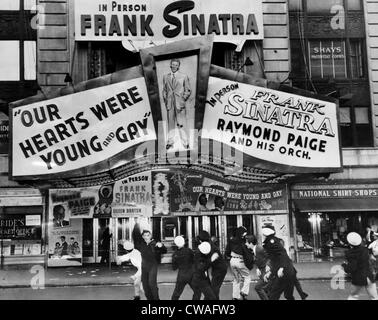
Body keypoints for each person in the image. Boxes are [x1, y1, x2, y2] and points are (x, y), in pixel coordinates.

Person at [162, 58, 192, 150]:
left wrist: (182, 99)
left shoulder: (184, 76)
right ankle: (170, 142)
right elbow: (164, 90)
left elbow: (188, 90)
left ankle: (185, 142)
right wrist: (166, 100)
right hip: (170, 104)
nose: (174, 66)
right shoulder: (165, 76)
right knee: (171, 124)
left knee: (181, 124)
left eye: (176, 65)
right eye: (173, 64)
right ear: (170, 65)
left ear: (178, 66)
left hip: (180, 104)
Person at [262, 225, 297, 300]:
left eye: (264, 230)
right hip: (285, 271)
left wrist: (281, 268)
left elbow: (282, 254)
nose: (262, 232)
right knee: (286, 295)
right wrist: (270, 272)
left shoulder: (272, 241)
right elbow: (275, 259)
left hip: (285, 272)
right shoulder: (269, 241)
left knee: (274, 295)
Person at [342, 232, 378, 300]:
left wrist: (344, 266)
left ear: (349, 243)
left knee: (353, 296)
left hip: (358, 278)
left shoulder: (350, 253)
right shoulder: (365, 250)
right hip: (369, 277)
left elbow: (352, 268)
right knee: (374, 297)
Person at [197, 230, 228, 300]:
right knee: (214, 288)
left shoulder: (209, 247)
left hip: (220, 269)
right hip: (217, 268)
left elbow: (207, 262)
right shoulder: (209, 245)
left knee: (213, 289)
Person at [225, 226, 253, 300]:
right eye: (244, 233)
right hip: (241, 261)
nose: (245, 235)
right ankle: (244, 292)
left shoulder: (231, 240)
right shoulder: (243, 241)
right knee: (247, 276)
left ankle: (235, 296)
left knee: (236, 278)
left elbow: (227, 252)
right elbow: (247, 252)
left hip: (232, 261)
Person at [138, 229, 167, 300]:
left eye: (148, 235)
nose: (146, 237)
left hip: (152, 266)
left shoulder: (154, 243)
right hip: (144, 267)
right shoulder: (142, 244)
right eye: (144, 235)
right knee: (145, 285)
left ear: (150, 236)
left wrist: (161, 246)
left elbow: (164, 250)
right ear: (142, 236)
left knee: (152, 284)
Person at [245, 234, 271, 300]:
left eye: (246, 242)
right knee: (266, 289)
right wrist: (258, 268)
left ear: (250, 243)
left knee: (258, 287)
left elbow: (271, 256)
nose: (245, 244)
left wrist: (268, 266)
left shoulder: (259, 249)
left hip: (267, 271)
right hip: (262, 271)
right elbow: (259, 259)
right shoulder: (254, 250)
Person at [171, 236, 195, 300]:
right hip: (191, 274)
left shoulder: (175, 254)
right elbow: (194, 260)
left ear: (176, 244)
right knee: (197, 291)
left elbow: (174, 268)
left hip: (181, 275)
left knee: (177, 293)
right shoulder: (189, 251)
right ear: (184, 242)